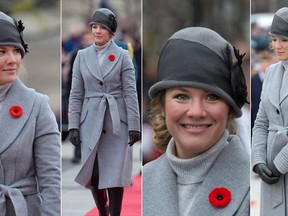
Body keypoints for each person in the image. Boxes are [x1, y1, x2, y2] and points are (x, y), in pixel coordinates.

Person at [143, 27, 250, 215]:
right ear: (162, 104)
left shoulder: (256, 188)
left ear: (229, 109)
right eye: (182, 96)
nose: (196, 112)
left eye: (212, 97)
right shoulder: (142, 183)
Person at [68, 8, 140, 216]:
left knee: (115, 174)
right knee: (94, 173)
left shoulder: (123, 56)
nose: (97, 31)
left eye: (102, 27)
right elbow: (75, 93)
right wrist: (73, 124)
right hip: (90, 120)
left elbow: (130, 93)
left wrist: (134, 126)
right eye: (94, 27)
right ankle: (102, 210)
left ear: (111, 31)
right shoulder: (81, 56)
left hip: (117, 122)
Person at [0, 12, 61, 215]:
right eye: (2, 52)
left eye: (16, 51)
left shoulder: (37, 106)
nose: (12, 60)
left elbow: (51, 180)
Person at [251, 7, 288, 215]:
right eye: (274, 39)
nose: (276, 46)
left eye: (283, 39)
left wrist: (278, 165)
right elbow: (261, 122)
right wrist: (258, 160)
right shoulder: (272, 72)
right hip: (270, 173)